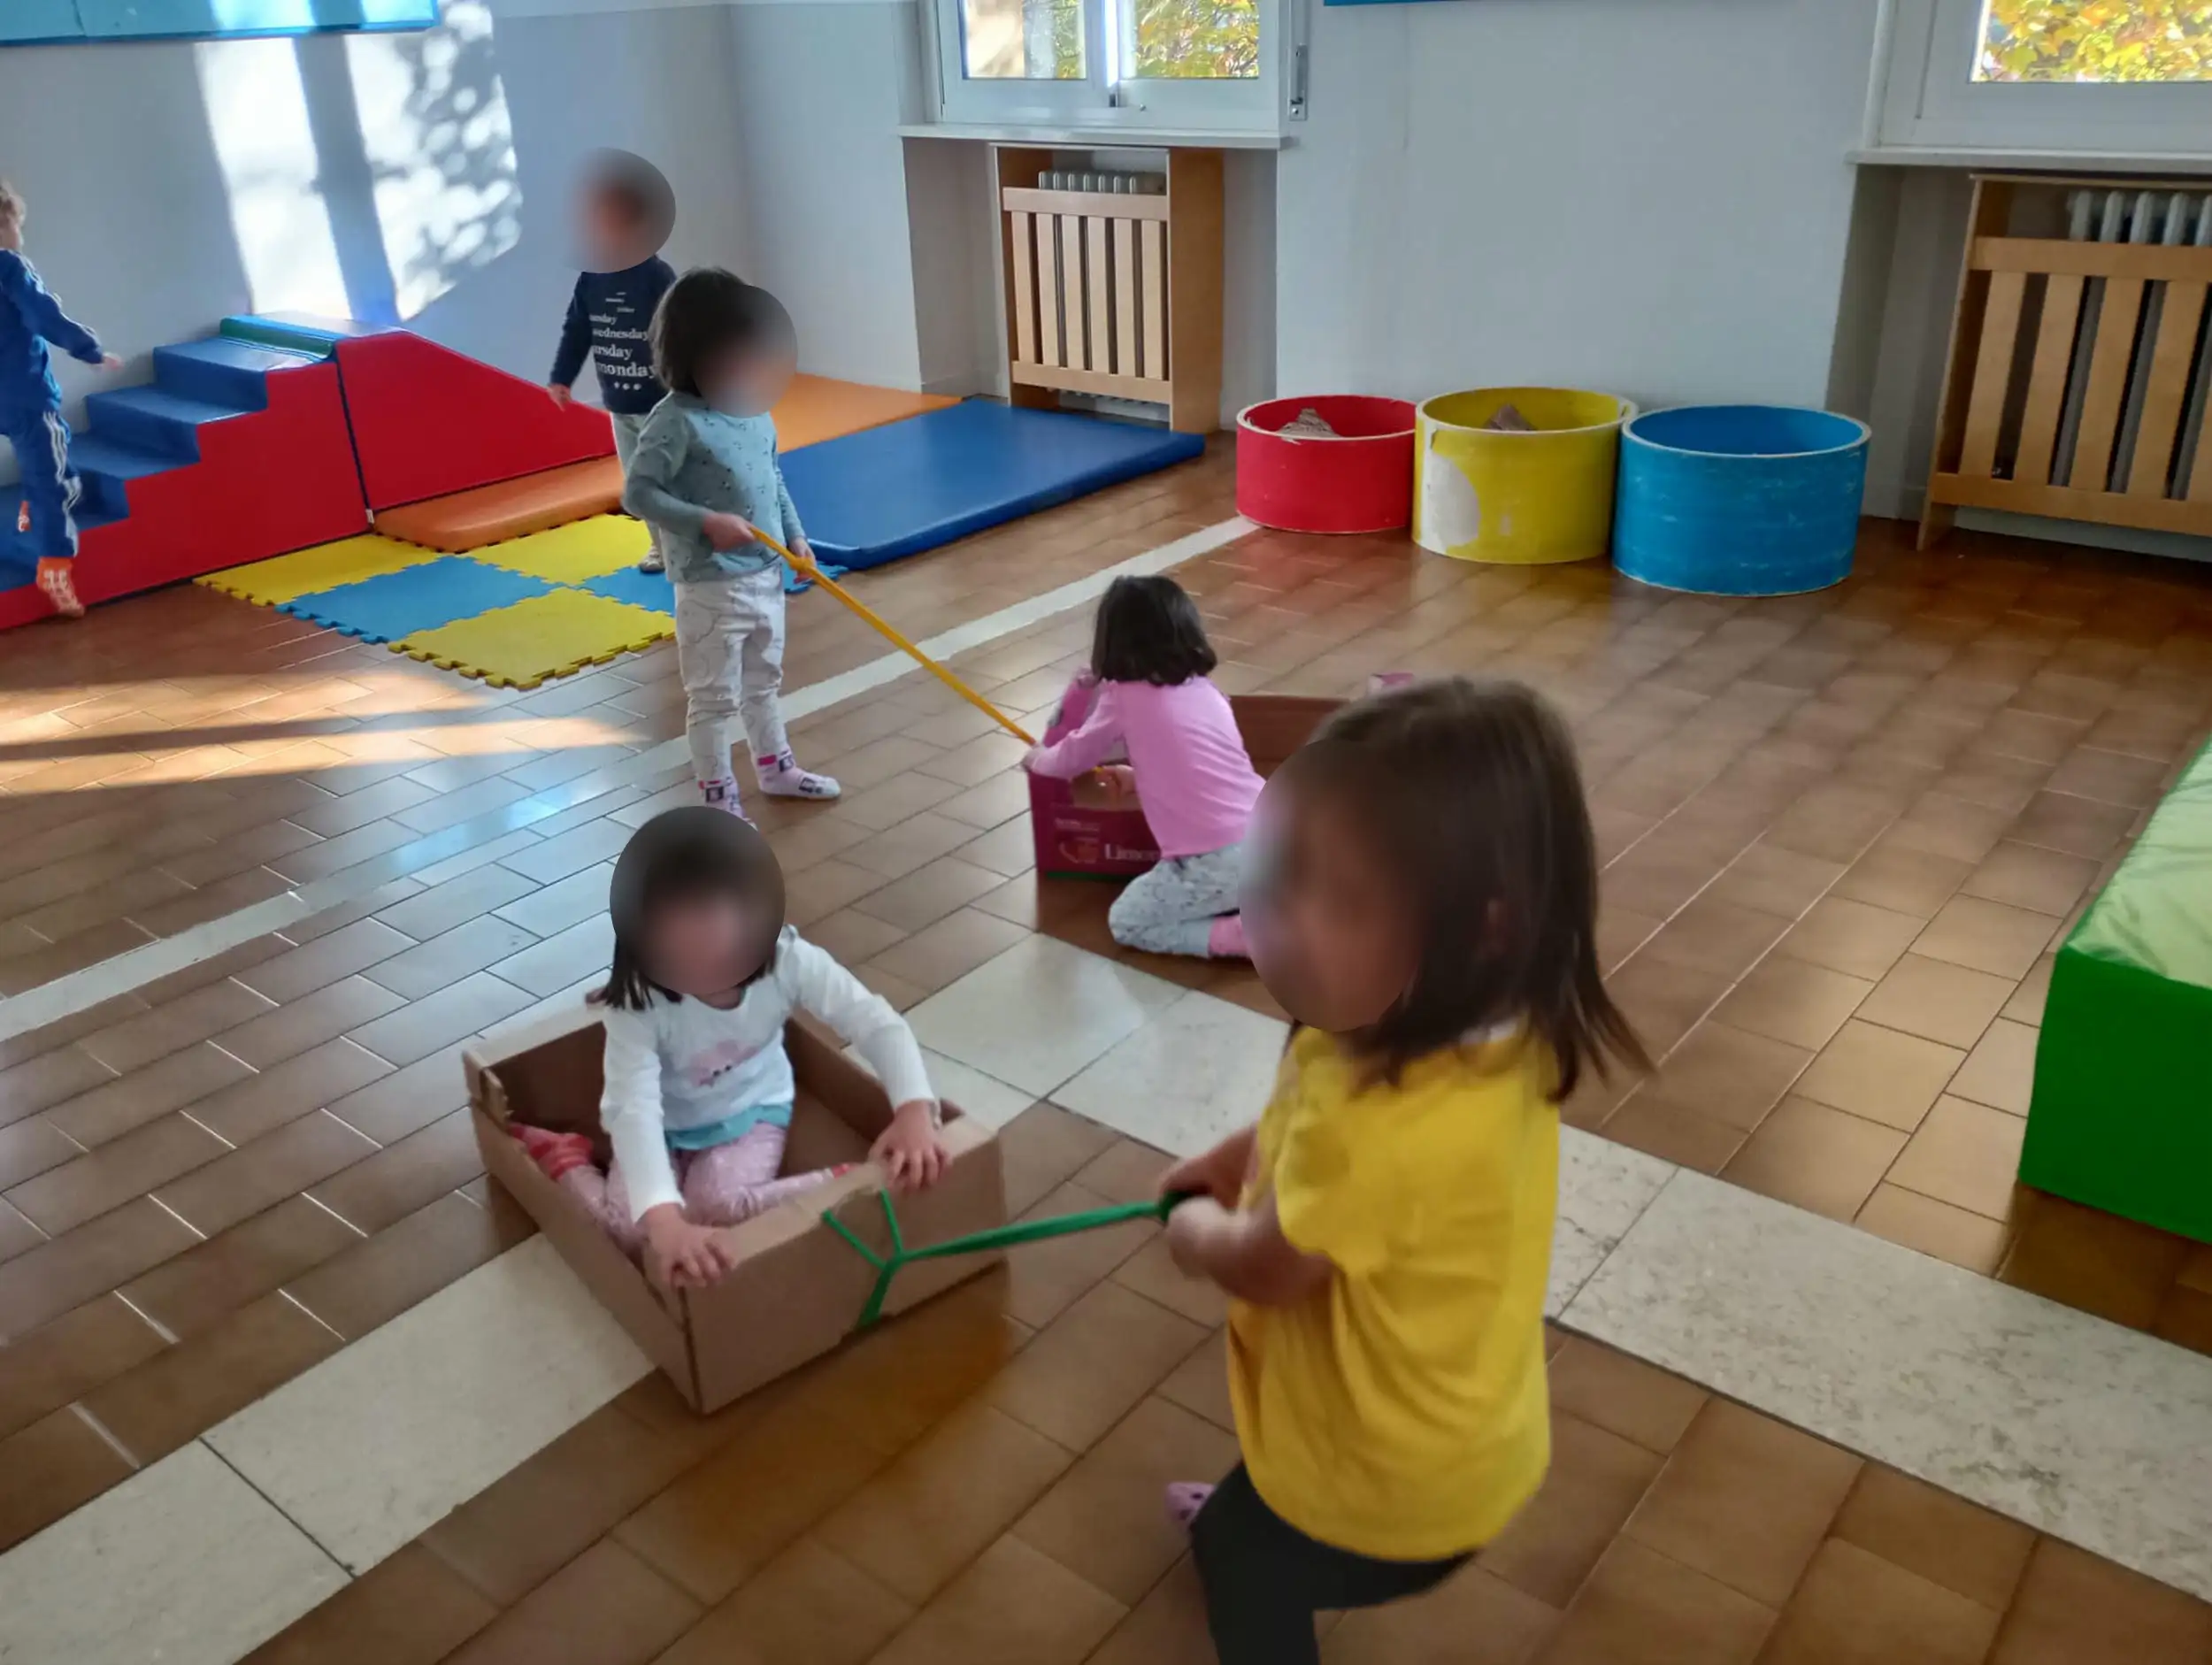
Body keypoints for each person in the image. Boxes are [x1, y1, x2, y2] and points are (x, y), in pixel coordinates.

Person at [1156, 678, 1649, 1665]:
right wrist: (1225, 1159)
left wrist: (1191, 1228)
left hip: (1390, 1490)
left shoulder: (1385, 1124)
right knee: (1262, 1517)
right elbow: (1302, 1114)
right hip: (1451, 1429)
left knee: (1243, 1562)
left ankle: (1260, 1542)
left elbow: (1265, 1266)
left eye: (1341, 900)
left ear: (1484, 928)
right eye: (1290, 873)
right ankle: (1265, 1518)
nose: (1287, 917)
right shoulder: (1472, 1025)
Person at [510, 808, 949, 1291]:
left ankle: (843, 1182)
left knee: (716, 1206)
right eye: (676, 957)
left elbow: (875, 1021)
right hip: (663, 1124)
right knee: (634, 1233)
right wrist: (665, 1221)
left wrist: (914, 1109)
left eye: (716, 948)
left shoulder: (789, 960)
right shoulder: (636, 1005)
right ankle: (567, 1159)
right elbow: (633, 1108)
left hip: (751, 1109)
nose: (703, 974)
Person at [623, 270, 839, 817]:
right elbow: (638, 493)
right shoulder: (674, 421)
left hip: (766, 575)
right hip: (710, 587)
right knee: (714, 699)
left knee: (764, 682)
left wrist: (796, 537)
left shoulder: (752, 410)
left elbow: (773, 478)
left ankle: (777, 769)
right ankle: (719, 802)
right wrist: (704, 522)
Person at [1023, 575, 1261, 958]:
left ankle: (1245, 936)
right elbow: (1204, 767)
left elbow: (1072, 758)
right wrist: (1139, 778)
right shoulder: (1205, 689)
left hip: (1218, 860)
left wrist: (1038, 759)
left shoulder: (1122, 697)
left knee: (1128, 920)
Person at [548, 152, 679, 575]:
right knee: (638, 482)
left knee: (669, 478)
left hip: (661, 401)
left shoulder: (656, 276)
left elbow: (681, 327)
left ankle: (689, 543)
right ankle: (659, 546)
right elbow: (577, 329)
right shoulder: (592, 278)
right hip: (620, 404)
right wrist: (562, 377)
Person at [0, 179, 121, 619]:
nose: (20, 234)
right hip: (25, 395)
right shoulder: (10, 266)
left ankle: (37, 505)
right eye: (17, 224)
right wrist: (89, 349)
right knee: (49, 475)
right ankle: (54, 565)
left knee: (56, 446)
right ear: (5, 224)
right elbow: (43, 315)